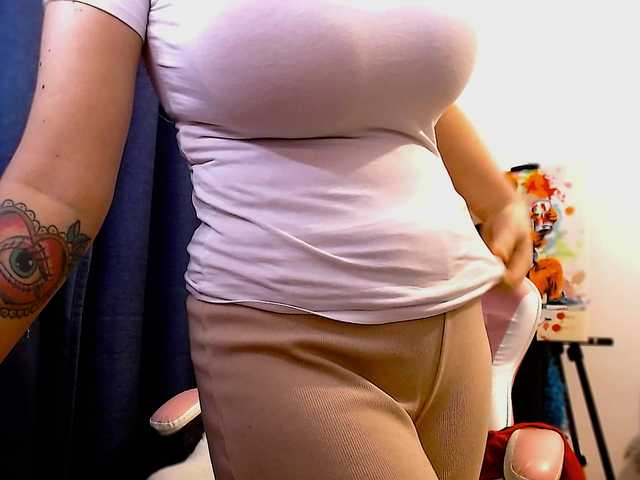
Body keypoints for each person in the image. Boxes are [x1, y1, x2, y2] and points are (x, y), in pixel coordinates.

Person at [0, 1, 532, 479]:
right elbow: (53, 187)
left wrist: (498, 198)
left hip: (454, 324)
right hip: (289, 342)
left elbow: (382, 81)